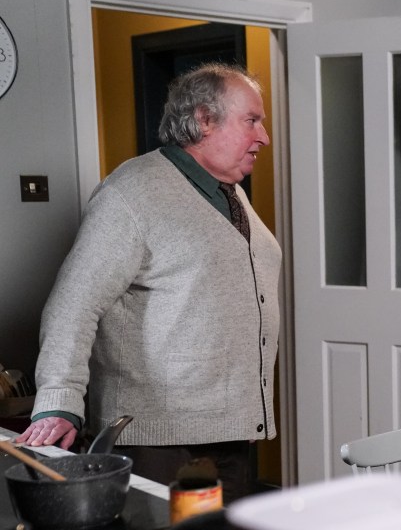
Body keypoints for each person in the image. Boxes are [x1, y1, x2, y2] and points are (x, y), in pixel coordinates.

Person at [16, 63, 281, 504]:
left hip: (227, 433)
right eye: (252, 120)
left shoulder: (230, 192)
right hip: (158, 440)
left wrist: (245, 409)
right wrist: (59, 400)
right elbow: (73, 306)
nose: (263, 137)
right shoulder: (133, 193)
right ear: (204, 119)